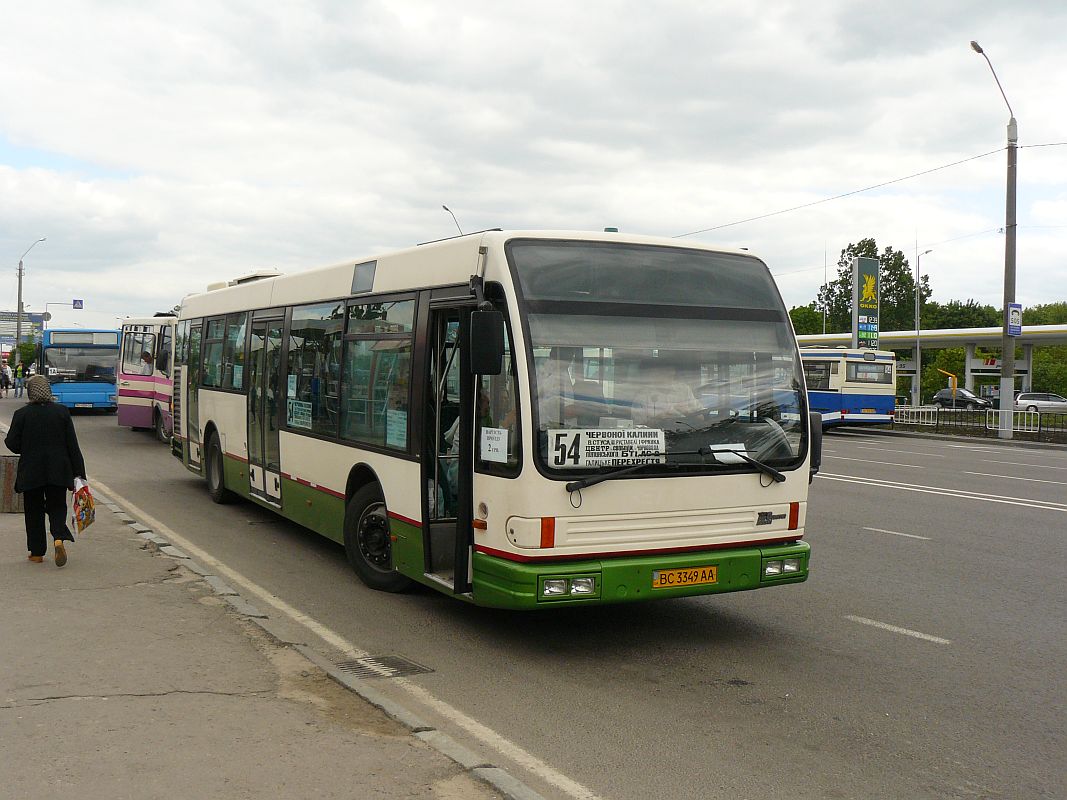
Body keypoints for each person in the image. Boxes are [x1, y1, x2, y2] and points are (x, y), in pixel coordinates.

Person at [4, 375, 87, 567]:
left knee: (33, 510)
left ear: (30, 392)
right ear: (49, 391)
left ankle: (37, 553)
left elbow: (12, 443)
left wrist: (26, 446)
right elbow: (72, 445)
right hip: (59, 470)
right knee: (57, 506)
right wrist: (80, 474)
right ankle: (58, 538)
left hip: (31, 471)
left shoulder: (22, 414)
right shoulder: (62, 412)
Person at [631, 360, 702, 427]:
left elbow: (702, 417)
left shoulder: (684, 390)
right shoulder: (643, 395)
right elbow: (637, 426)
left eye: (671, 370)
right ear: (653, 374)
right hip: (656, 437)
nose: (669, 374)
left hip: (685, 434)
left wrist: (688, 412)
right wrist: (660, 419)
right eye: (663, 372)